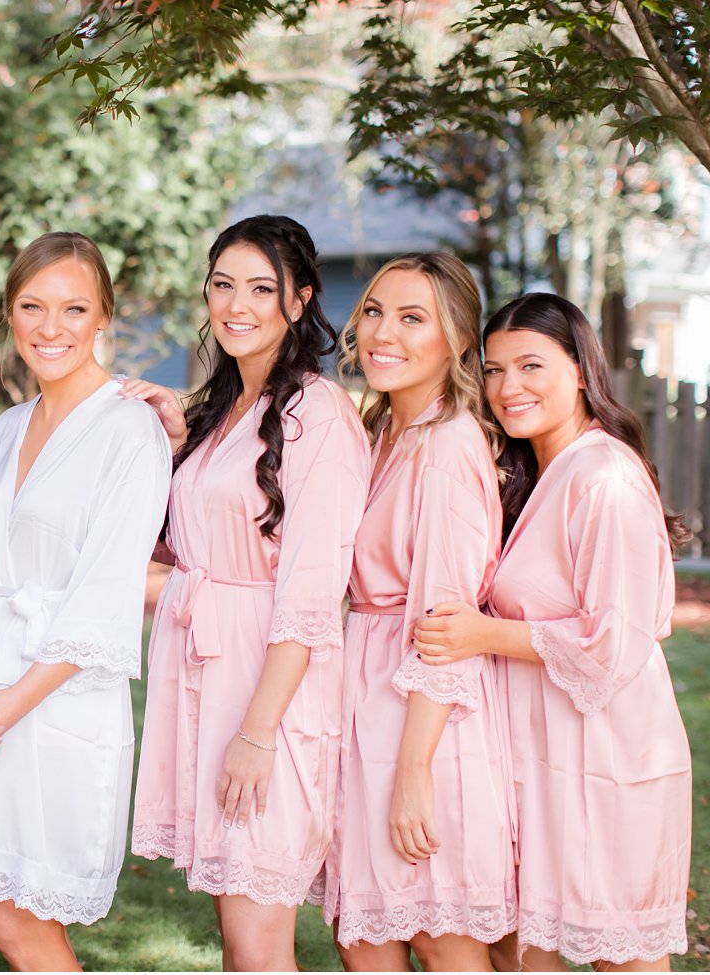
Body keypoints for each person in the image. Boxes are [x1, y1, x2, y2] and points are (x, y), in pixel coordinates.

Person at [413, 293, 692, 972]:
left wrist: (484, 634)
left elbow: (613, 643)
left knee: (621, 955)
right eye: (496, 369)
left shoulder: (605, 477)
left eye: (532, 365)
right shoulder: (537, 472)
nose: (510, 387)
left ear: (579, 368)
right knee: (531, 950)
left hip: (612, 754)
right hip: (544, 756)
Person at [123, 215, 370, 971]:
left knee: (259, 944)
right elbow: (173, 543)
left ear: (299, 301)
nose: (237, 303)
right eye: (223, 284)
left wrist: (259, 731)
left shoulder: (316, 413)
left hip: (269, 685)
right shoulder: (219, 408)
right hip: (204, 669)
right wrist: (165, 445)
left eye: (261, 288)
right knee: (237, 938)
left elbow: (309, 592)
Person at [0, 231, 173, 971]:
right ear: (9, 314)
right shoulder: (7, 427)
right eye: (32, 306)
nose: (50, 326)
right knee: (10, 920)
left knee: (25, 925)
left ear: (104, 317)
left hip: (51, 695)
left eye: (73, 308)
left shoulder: (130, 429)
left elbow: (106, 593)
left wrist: (9, 704)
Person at [323, 253, 516, 971]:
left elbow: (447, 626)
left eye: (413, 318)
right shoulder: (379, 434)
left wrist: (413, 773)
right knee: (362, 936)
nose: (382, 332)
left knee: (441, 937)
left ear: (459, 340)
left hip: (426, 726)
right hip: (365, 697)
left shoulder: (447, 447)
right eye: (373, 310)